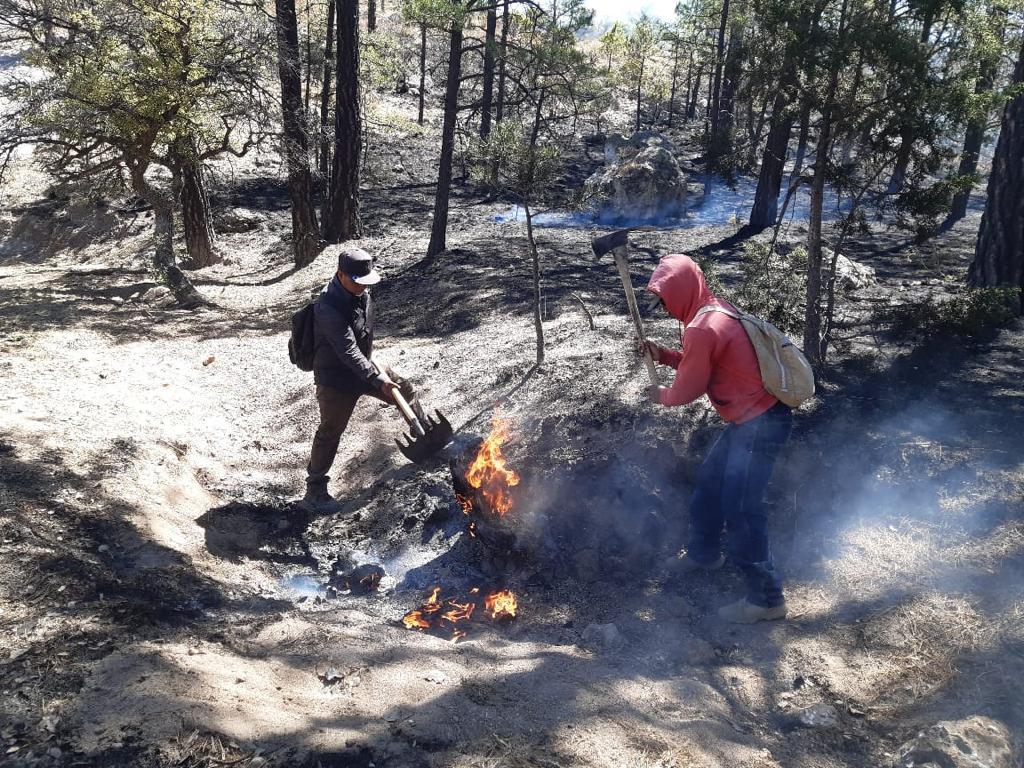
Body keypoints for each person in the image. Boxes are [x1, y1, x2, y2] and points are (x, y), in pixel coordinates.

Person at [643, 253, 793, 623]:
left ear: (680, 291)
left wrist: (660, 394)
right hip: (752, 419)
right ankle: (704, 555)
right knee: (710, 485)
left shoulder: (701, 328)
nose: (664, 309)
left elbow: (687, 390)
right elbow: (706, 364)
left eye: (665, 300)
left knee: (742, 506)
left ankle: (766, 599)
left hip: (760, 423)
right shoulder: (714, 310)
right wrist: (664, 356)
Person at [300, 245, 422, 513]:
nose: (362, 288)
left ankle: (423, 434)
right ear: (340, 274)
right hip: (336, 379)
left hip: (366, 367)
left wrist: (377, 372)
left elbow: (362, 335)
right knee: (330, 431)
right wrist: (377, 380)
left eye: (365, 283)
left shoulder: (362, 293)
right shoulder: (327, 307)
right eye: (357, 283)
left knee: (406, 389)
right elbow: (346, 350)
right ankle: (315, 488)